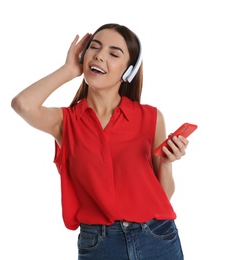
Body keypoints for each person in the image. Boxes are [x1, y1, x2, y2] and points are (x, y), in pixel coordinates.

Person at [11, 23, 188, 260]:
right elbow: (23, 104)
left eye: (114, 54)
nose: (100, 56)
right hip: (101, 244)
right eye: (94, 48)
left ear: (129, 71)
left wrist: (166, 164)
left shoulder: (151, 117)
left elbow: (163, 197)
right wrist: (68, 70)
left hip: (157, 237)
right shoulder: (66, 122)